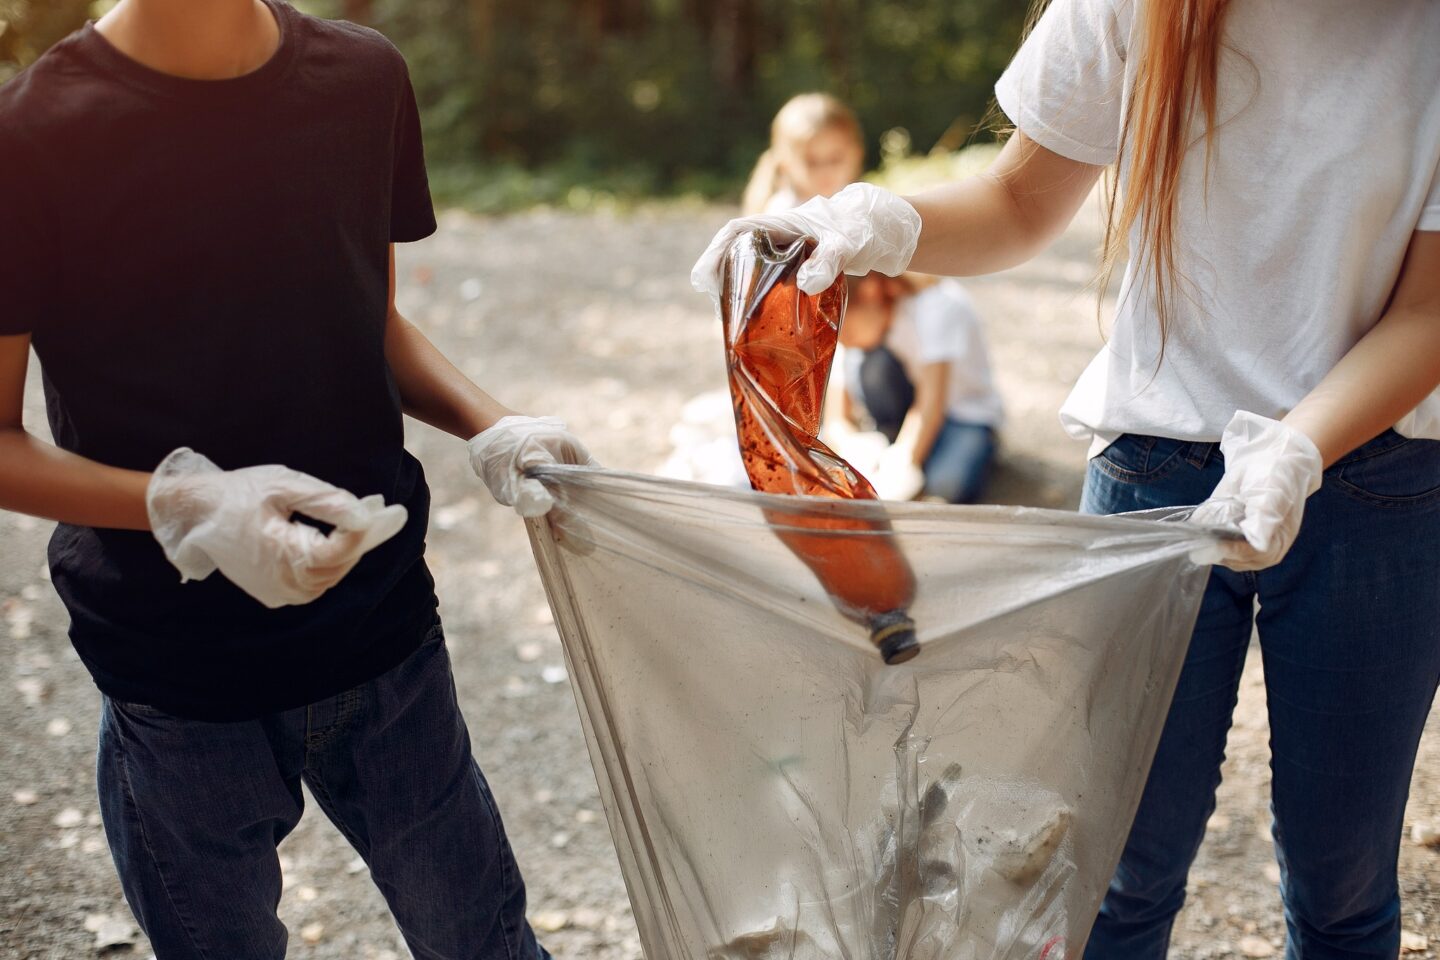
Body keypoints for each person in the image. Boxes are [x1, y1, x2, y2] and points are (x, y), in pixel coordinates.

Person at [692, 0, 1440, 956]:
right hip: (1153, 469)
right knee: (1114, 871)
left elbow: (1428, 310)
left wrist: (1300, 445)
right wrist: (868, 223)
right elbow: (1017, 203)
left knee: (1343, 889)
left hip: (1380, 481)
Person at [0, 1, 589, 956]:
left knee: (484, 941)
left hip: (384, 641)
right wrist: (182, 502)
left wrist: (497, 426)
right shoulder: (29, 137)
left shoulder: (363, 79)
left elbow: (372, 320)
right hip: (176, 673)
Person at [740, 92, 1003, 503]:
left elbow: (931, 402)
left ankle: (929, 452)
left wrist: (905, 460)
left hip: (961, 414)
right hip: (841, 344)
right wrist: (848, 440)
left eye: (836, 158)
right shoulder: (788, 217)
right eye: (814, 162)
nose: (827, 171)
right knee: (865, 367)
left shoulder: (931, 306)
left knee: (944, 486)